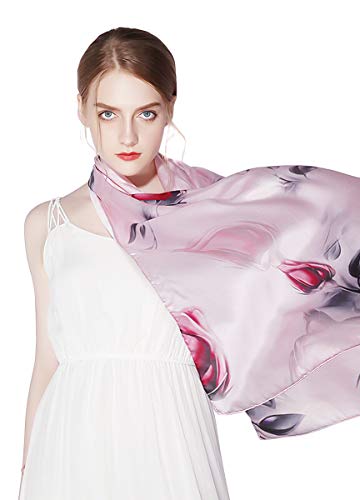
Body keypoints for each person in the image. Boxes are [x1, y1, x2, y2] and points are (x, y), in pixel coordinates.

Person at [19, 27, 231, 499]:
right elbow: (46, 362)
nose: (127, 136)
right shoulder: (46, 224)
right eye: (108, 113)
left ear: (169, 109)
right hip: (72, 437)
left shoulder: (211, 211)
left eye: (146, 113)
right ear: (82, 109)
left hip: (171, 433)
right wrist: (26, 472)